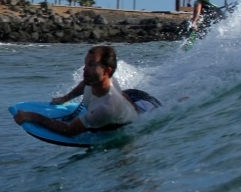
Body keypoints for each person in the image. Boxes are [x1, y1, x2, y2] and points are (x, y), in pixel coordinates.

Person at [13, 45, 157, 137]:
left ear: (107, 71)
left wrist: (34, 117)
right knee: (122, 98)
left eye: (91, 64)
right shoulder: (94, 80)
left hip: (145, 106)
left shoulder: (105, 108)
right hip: (130, 96)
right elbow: (85, 84)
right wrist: (65, 98)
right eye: (86, 63)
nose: (85, 69)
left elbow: (69, 131)